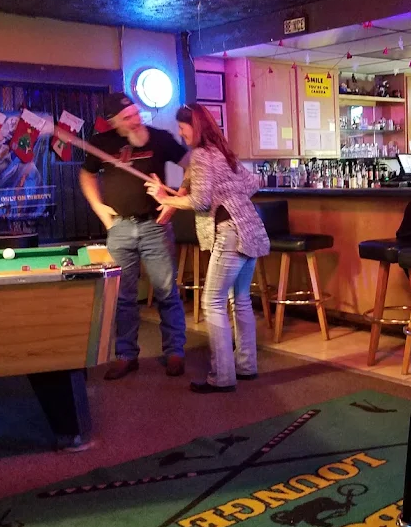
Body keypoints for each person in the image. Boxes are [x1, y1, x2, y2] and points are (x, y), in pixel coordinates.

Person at [147, 103, 270, 394]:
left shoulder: (202, 154)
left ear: (196, 126)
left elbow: (200, 201)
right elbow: (254, 182)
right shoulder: (223, 152)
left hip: (229, 233)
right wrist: (226, 193)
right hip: (249, 229)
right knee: (240, 300)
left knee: (212, 302)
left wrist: (165, 199)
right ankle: (246, 366)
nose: (181, 134)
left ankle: (222, 376)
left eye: (182, 128)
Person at [79, 92, 188, 380]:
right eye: (127, 117)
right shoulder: (102, 143)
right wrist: (99, 209)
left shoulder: (160, 138)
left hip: (155, 226)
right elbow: (87, 175)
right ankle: (126, 355)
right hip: (120, 228)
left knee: (166, 292)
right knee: (123, 297)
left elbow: (189, 166)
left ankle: (175, 351)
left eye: (136, 113)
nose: (135, 119)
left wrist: (174, 202)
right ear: (114, 122)